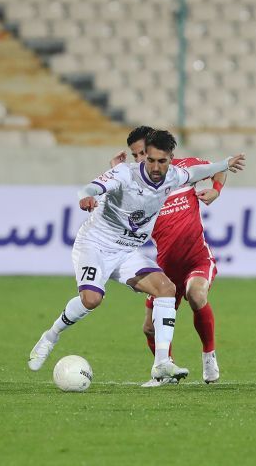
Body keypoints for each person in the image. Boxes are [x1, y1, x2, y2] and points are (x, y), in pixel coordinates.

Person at [28, 129, 246, 383]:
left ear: (169, 159)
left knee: (165, 289)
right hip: (96, 245)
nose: (152, 165)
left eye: (159, 160)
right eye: (145, 158)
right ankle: (50, 337)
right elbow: (93, 186)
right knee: (91, 300)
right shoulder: (124, 173)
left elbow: (199, 171)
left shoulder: (173, 176)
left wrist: (225, 164)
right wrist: (87, 195)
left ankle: (162, 364)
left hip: (127, 251)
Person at [110, 126, 226, 386]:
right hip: (165, 267)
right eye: (135, 155)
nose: (140, 159)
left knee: (196, 295)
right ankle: (166, 369)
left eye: (143, 153)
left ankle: (209, 355)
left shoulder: (185, 170)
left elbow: (220, 168)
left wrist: (216, 189)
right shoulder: (135, 185)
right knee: (149, 328)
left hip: (196, 259)